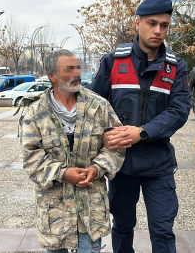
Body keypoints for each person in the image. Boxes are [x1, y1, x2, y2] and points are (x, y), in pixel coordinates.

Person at [90, 0, 191, 253]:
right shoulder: (112, 62)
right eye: (152, 23)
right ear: (138, 23)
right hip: (121, 164)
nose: (158, 30)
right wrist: (103, 138)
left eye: (164, 25)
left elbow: (179, 111)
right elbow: (92, 109)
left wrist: (143, 133)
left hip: (158, 163)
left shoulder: (176, 67)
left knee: (162, 229)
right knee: (122, 226)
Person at [21, 50, 125, 253]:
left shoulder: (99, 106)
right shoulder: (35, 113)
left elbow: (116, 146)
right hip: (55, 214)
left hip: (90, 211)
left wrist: (97, 168)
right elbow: (31, 158)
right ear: (52, 76)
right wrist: (62, 173)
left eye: (77, 68)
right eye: (69, 69)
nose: (76, 73)